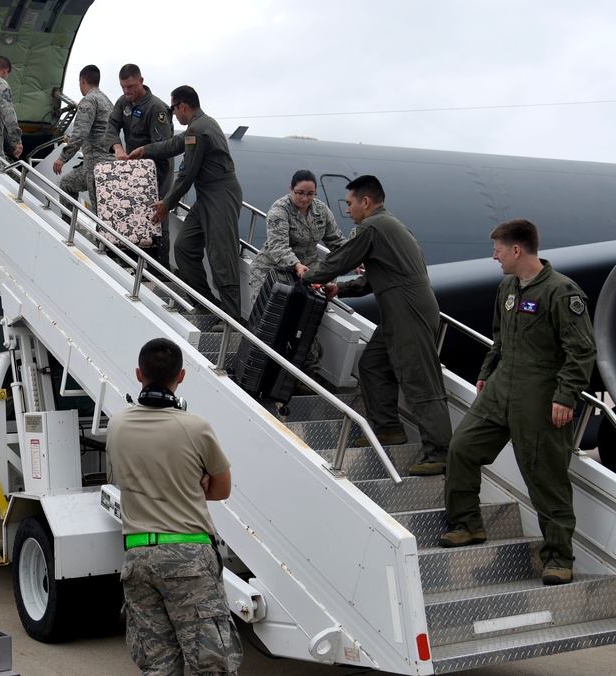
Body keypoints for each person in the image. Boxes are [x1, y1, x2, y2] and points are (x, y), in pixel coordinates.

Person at [440, 219, 596, 586]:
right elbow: (500, 337)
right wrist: (487, 371)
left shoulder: (561, 292)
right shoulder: (507, 287)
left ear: (516, 250)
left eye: (497, 249)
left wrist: (565, 395)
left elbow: (581, 350)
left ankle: (559, 558)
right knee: (462, 448)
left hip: (539, 394)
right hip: (500, 387)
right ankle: (467, 525)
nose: (493, 256)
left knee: (544, 476)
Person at [107, 338, 243, 675]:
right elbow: (222, 489)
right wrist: (189, 485)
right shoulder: (195, 427)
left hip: (137, 558)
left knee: (159, 663)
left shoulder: (117, 425)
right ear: (180, 377)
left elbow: (128, 476)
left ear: (139, 374)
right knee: (211, 664)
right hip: (188, 559)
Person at [301, 175, 452, 476]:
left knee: (419, 381)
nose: (349, 211)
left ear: (366, 202)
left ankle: (441, 454)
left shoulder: (372, 227)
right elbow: (374, 277)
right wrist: (339, 289)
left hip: (407, 313)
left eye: (350, 205)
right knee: (372, 365)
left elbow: (341, 259)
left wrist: (307, 275)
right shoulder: (392, 227)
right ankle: (388, 429)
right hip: (402, 311)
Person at [129, 86, 243, 325]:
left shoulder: (199, 130)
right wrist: (146, 150)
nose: (173, 114)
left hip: (220, 195)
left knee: (221, 256)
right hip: (207, 196)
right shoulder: (197, 127)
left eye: (173, 109)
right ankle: (209, 304)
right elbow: (174, 145)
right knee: (184, 247)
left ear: (182, 106)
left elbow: (186, 172)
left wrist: (167, 204)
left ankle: (231, 320)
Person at [103, 64, 175, 267]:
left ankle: (160, 267)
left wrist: (142, 153)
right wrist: (117, 147)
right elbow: (111, 127)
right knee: (131, 211)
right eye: (123, 87)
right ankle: (133, 260)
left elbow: (163, 147)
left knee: (156, 215)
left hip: (157, 169)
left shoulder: (156, 108)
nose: (127, 91)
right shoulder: (123, 102)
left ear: (141, 81)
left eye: (131, 86)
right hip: (133, 167)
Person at [249, 169, 347, 301]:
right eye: (300, 193)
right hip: (274, 269)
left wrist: (354, 257)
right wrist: (296, 265)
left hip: (307, 269)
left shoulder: (321, 210)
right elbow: (278, 245)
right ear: (291, 189)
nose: (305, 198)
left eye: (311, 194)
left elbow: (336, 239)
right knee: (269, 314)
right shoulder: (280, 210)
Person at [54, 64, 114, 217]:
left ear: (82, 80)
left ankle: (75, 232)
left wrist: (63, 158)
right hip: (110, 164)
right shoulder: (107, 101)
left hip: (95, 166)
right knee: (67, 184)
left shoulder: (89, 101)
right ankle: (71, 227)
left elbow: (80, 132)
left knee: (100, 215)